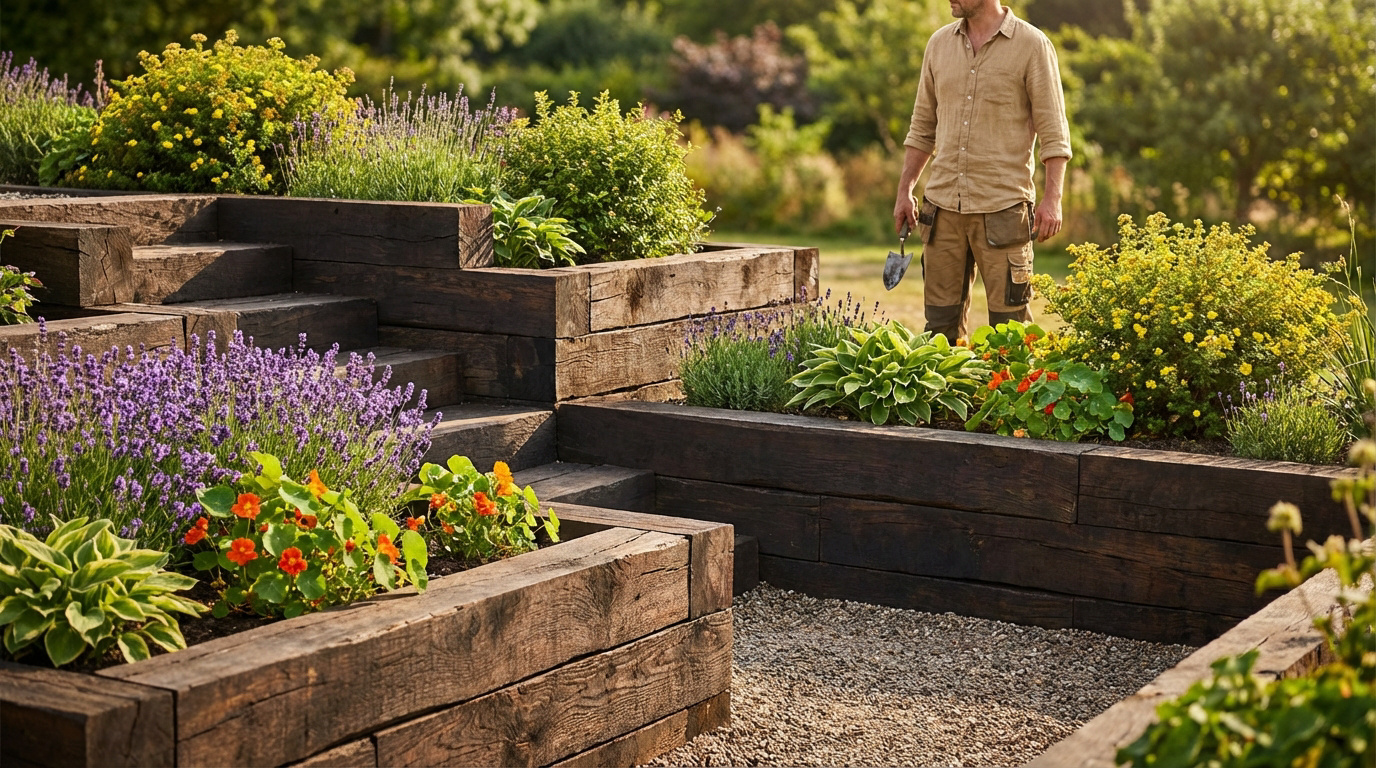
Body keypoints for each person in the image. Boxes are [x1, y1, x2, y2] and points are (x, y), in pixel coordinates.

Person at [893, 0, 1072, 343]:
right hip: (941, 210)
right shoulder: (938, 44)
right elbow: (922, 127)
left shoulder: (1032, 45)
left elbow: (1053, 131)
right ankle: (947, 396)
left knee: (1011, 334)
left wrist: (1053, 200)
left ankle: (1009, 396)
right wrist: (905, 190)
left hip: (1003, 211)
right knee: (938, 332)